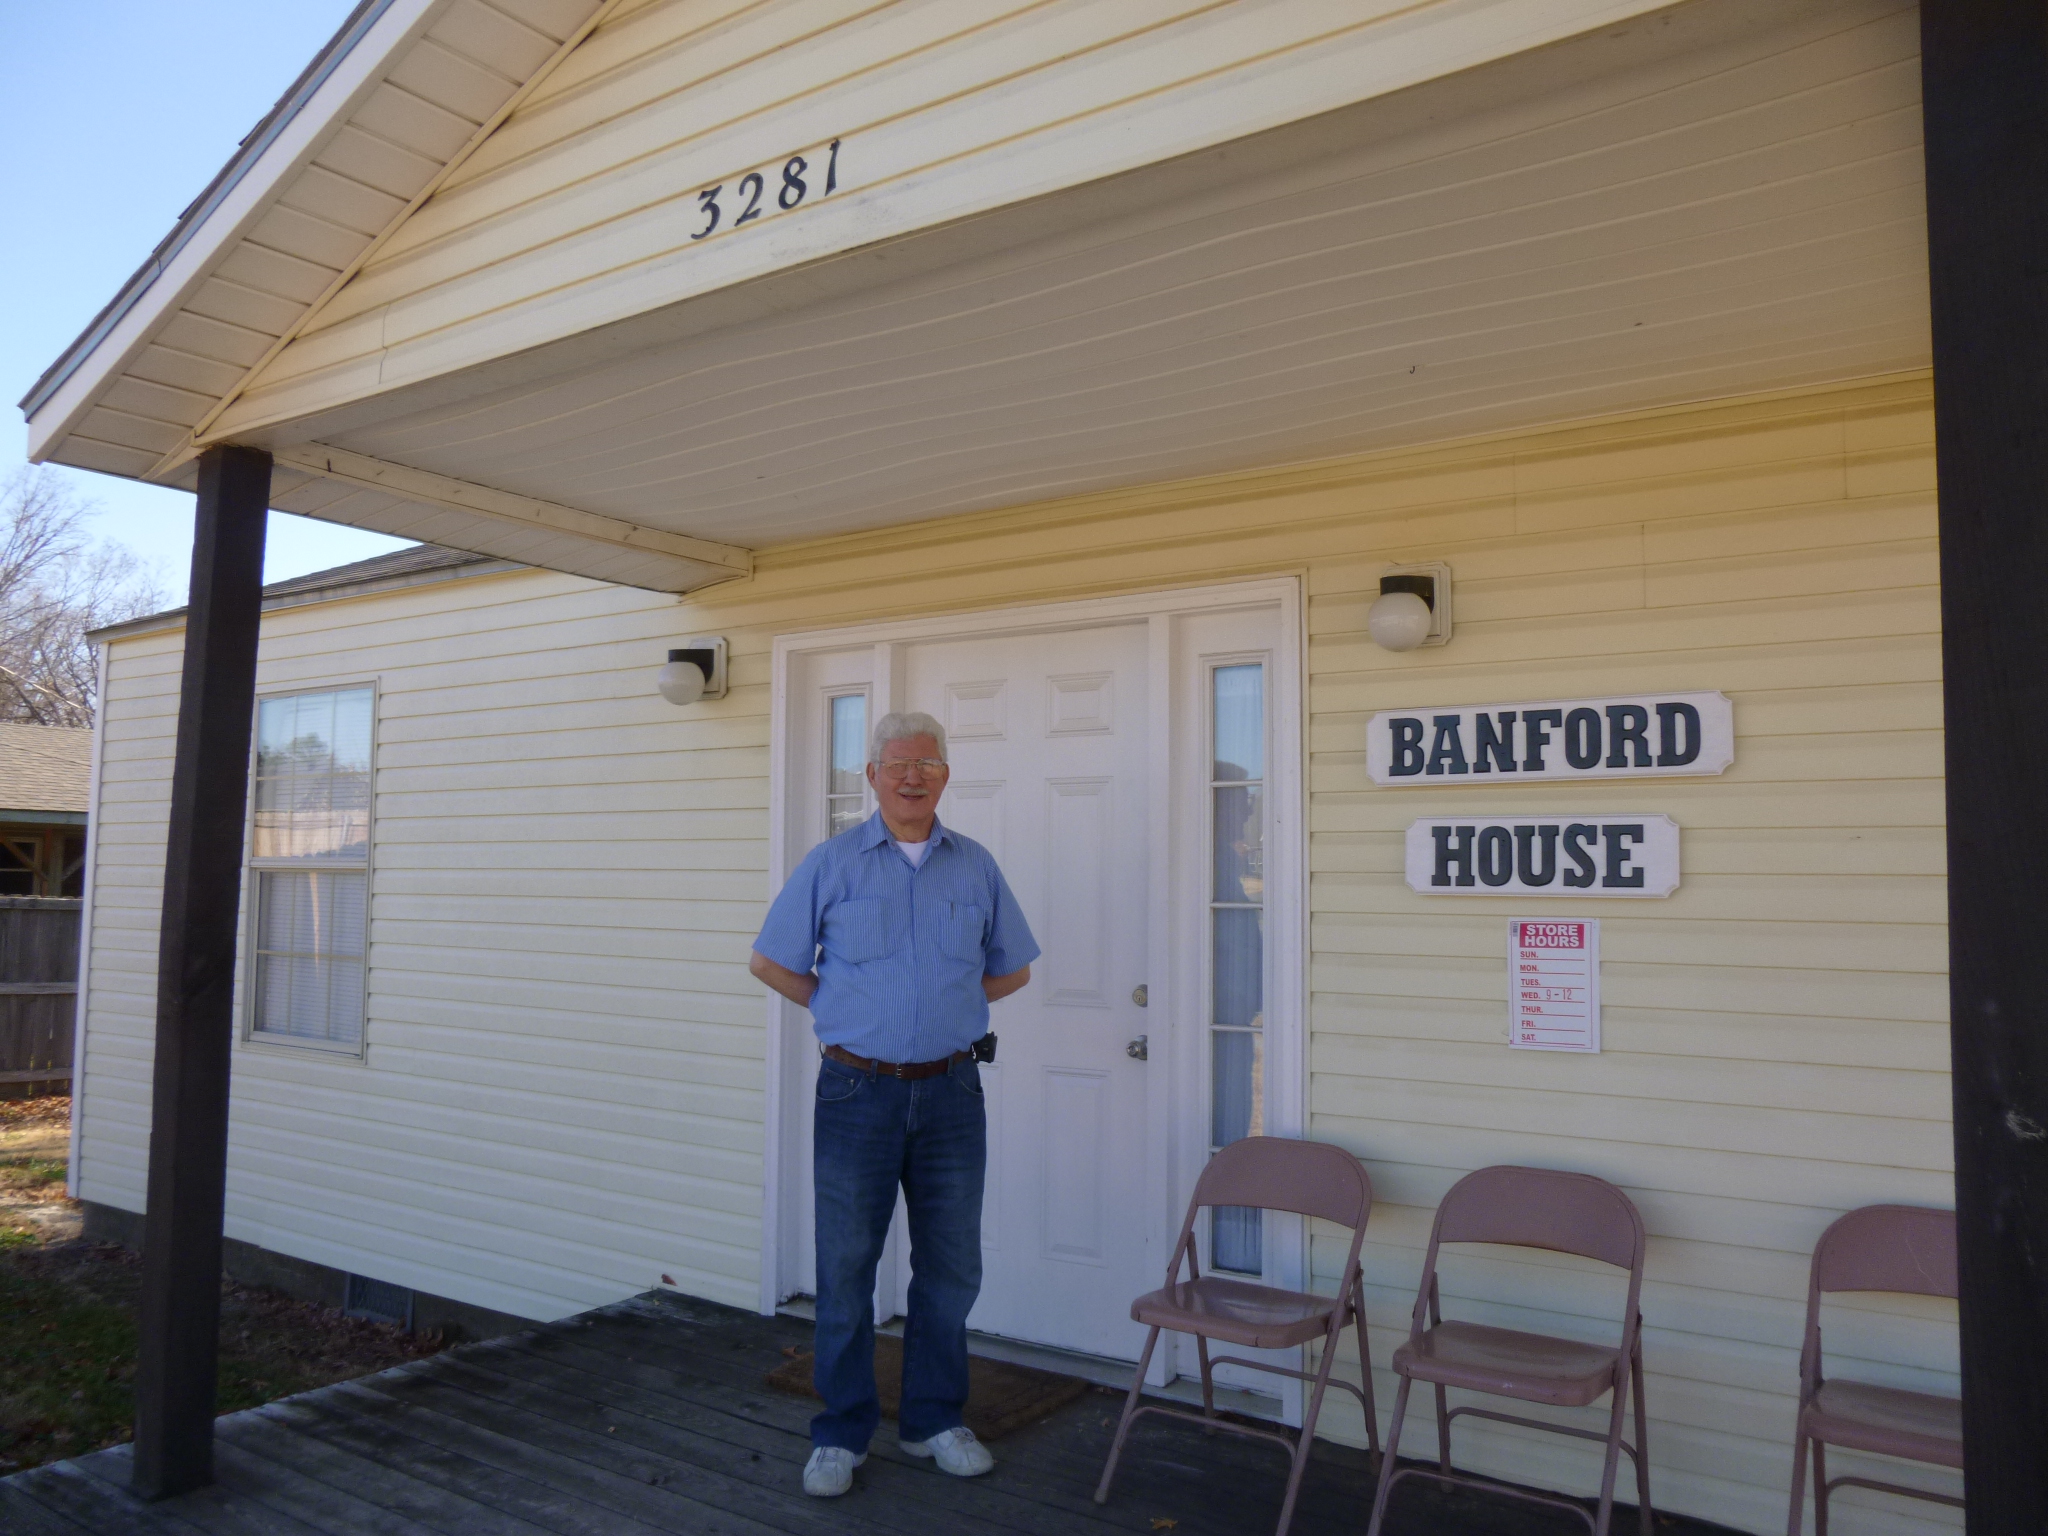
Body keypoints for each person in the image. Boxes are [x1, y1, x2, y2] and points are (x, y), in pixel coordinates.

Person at [751, 710, 1038, 1498]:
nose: (914, 776)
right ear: (872, 776)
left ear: (946, 776)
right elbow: (771, 961)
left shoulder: (975, 867)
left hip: (952, 1093)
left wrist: (948, 1005)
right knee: (846, 1267)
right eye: (899, 764)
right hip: (856, 1092)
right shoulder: (832, 863)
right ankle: (840, 1433)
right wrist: (839, 1005)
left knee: (950, 1266)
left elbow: (1012, 969)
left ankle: (933, 1421)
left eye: (928, 764)